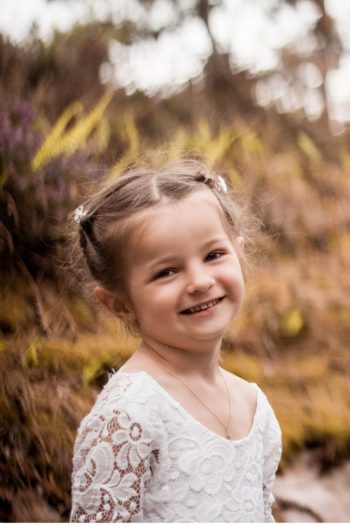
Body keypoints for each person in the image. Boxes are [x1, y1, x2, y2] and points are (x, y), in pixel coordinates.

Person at [68, 159, 281, 522]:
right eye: (167, 272)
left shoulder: (253, 406)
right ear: (119, 303)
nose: (199, 281)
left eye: (213, 255)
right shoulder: (127, 418)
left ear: (239, 253)